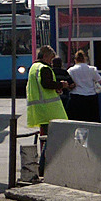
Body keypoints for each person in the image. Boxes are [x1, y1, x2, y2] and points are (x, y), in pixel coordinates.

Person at [26, 45, 68, 177]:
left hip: (39, 110)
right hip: (50, 111)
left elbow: (42, 87)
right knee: (51, 141)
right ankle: (43, 169)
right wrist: (61, 84)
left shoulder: (33, 68)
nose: (51, 61)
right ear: (45, 56)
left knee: (45, 140)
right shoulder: (44, 68)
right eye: (50, 59)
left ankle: (42, 168)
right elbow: (46, 84)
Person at [66, 49, 101, 122]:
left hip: (76, 97)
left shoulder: (71, 70)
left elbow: (69, 83)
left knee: (77, 120)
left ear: (75, 60)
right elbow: (100, 80)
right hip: (91, 97)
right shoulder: (92, 69)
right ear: (85, 59)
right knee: (92, 120)